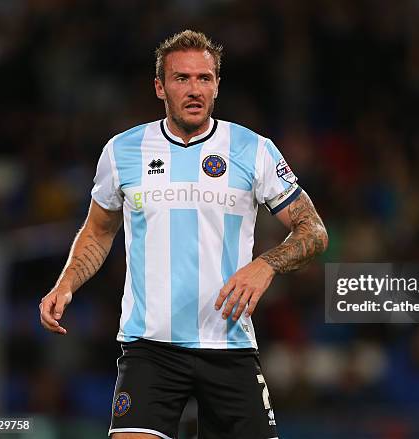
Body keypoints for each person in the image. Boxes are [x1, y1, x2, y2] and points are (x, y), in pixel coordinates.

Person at [39, 29, 328, 439]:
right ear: (160, 87)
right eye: (182, 78)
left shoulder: (253, 149)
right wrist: (66, 283)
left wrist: (266, 265)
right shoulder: (123, 150)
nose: (194, 89)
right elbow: (99, 230)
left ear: (217, 86)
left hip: (228, 347)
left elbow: (313, 231)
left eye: (204, 78)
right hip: (150, 348)